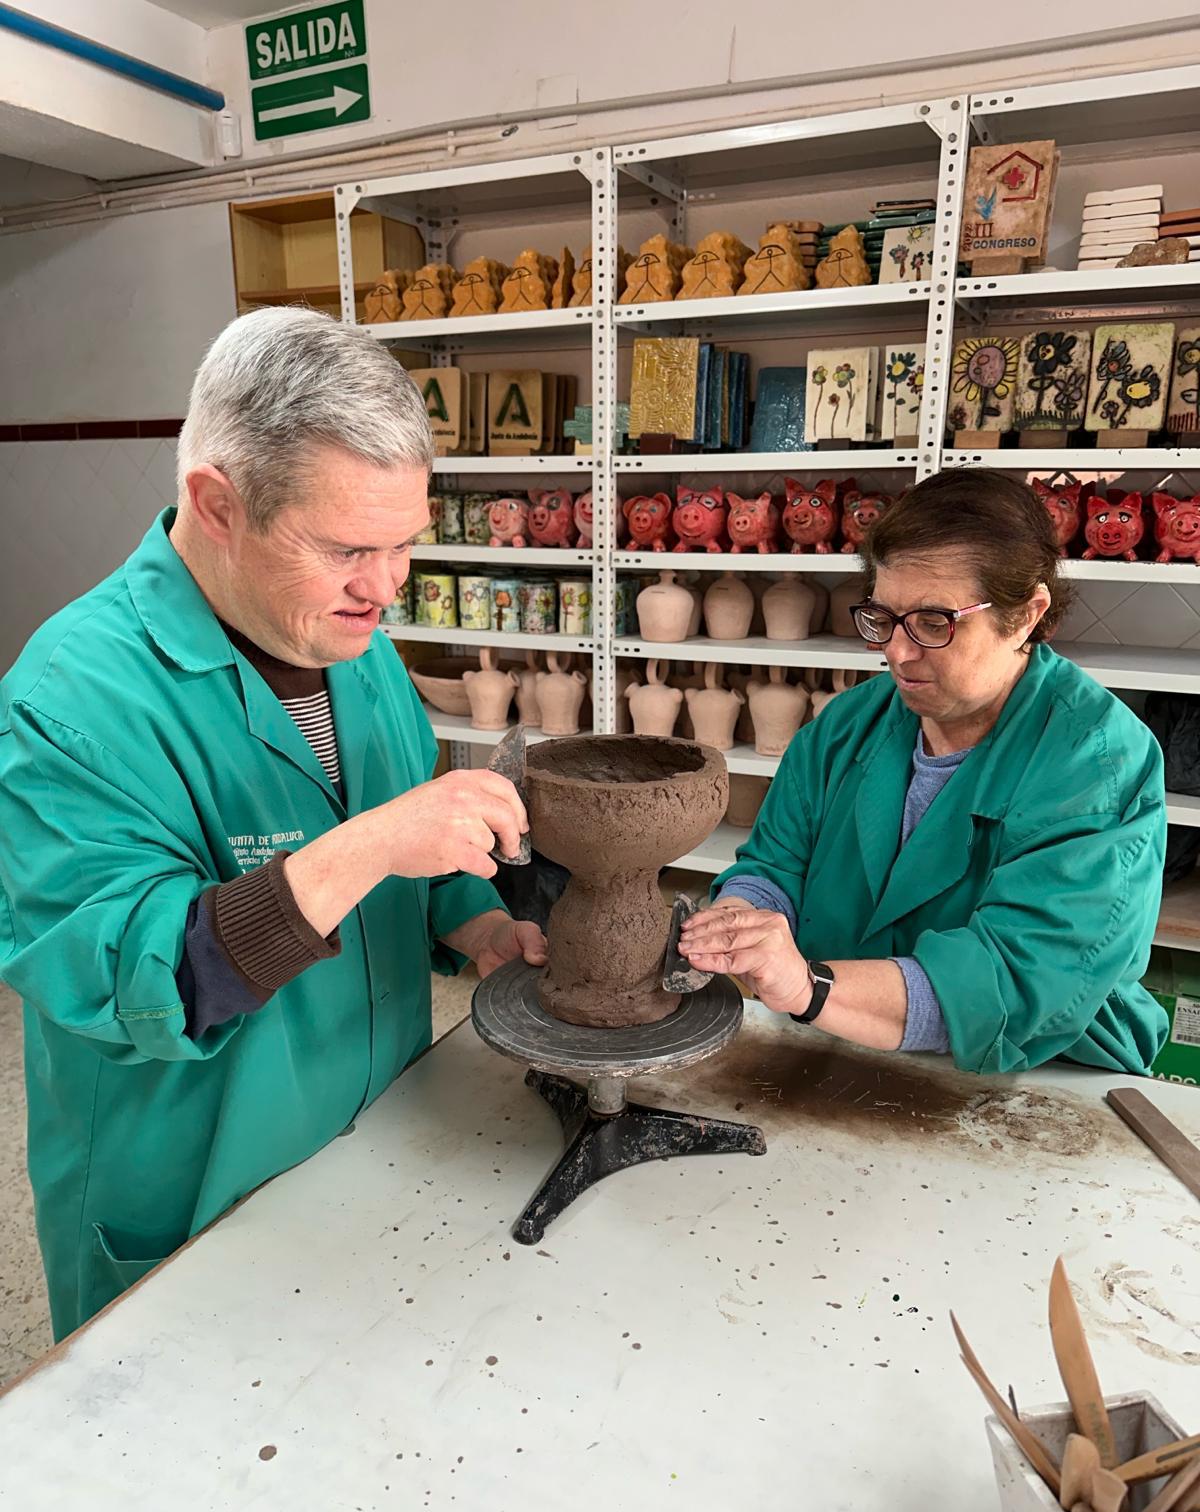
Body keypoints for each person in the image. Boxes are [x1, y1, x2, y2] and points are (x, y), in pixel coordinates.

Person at [0, 307, 546, 1338]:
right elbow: (145, 982)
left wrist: (472, 918)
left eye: (404, 545)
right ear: (218, 504)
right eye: (346, 547)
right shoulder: (67, 704)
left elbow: (409, 862)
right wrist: (368, 844)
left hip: (374, 1146)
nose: (385, 588)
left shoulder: (362, 653)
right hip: (197, 1201)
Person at [679, 469, 1167, 1075]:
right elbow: (774, 865)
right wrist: (744, 918)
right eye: (883, 617)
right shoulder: (846, 726)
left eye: (935, 622)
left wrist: (808, 987)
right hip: (836, 1037)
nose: (897, 652)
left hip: (1034, 1072)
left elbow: (1013, 982)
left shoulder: (1096, 763)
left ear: (1026, 615)